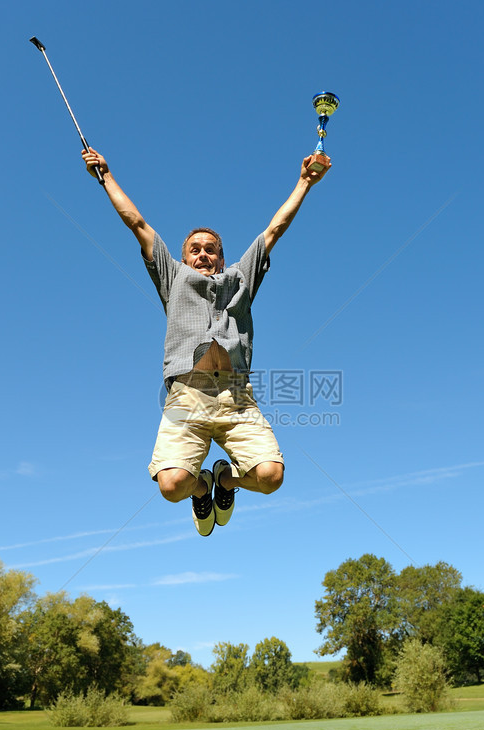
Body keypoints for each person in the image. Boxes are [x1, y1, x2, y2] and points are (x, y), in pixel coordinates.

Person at [82, 146, 331, 536]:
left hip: (236, 397)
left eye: (209, 249)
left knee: (270, 477)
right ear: (183, 259)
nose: (202, 254)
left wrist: (304, 182)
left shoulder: (240, 278)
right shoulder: (173, 277)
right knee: (172, 486)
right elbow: (138, 223)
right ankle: (201, 490)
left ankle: (225, 481)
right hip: (187, 395)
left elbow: (274, 229)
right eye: (194, 250)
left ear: (221, 257)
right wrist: (106, 176)